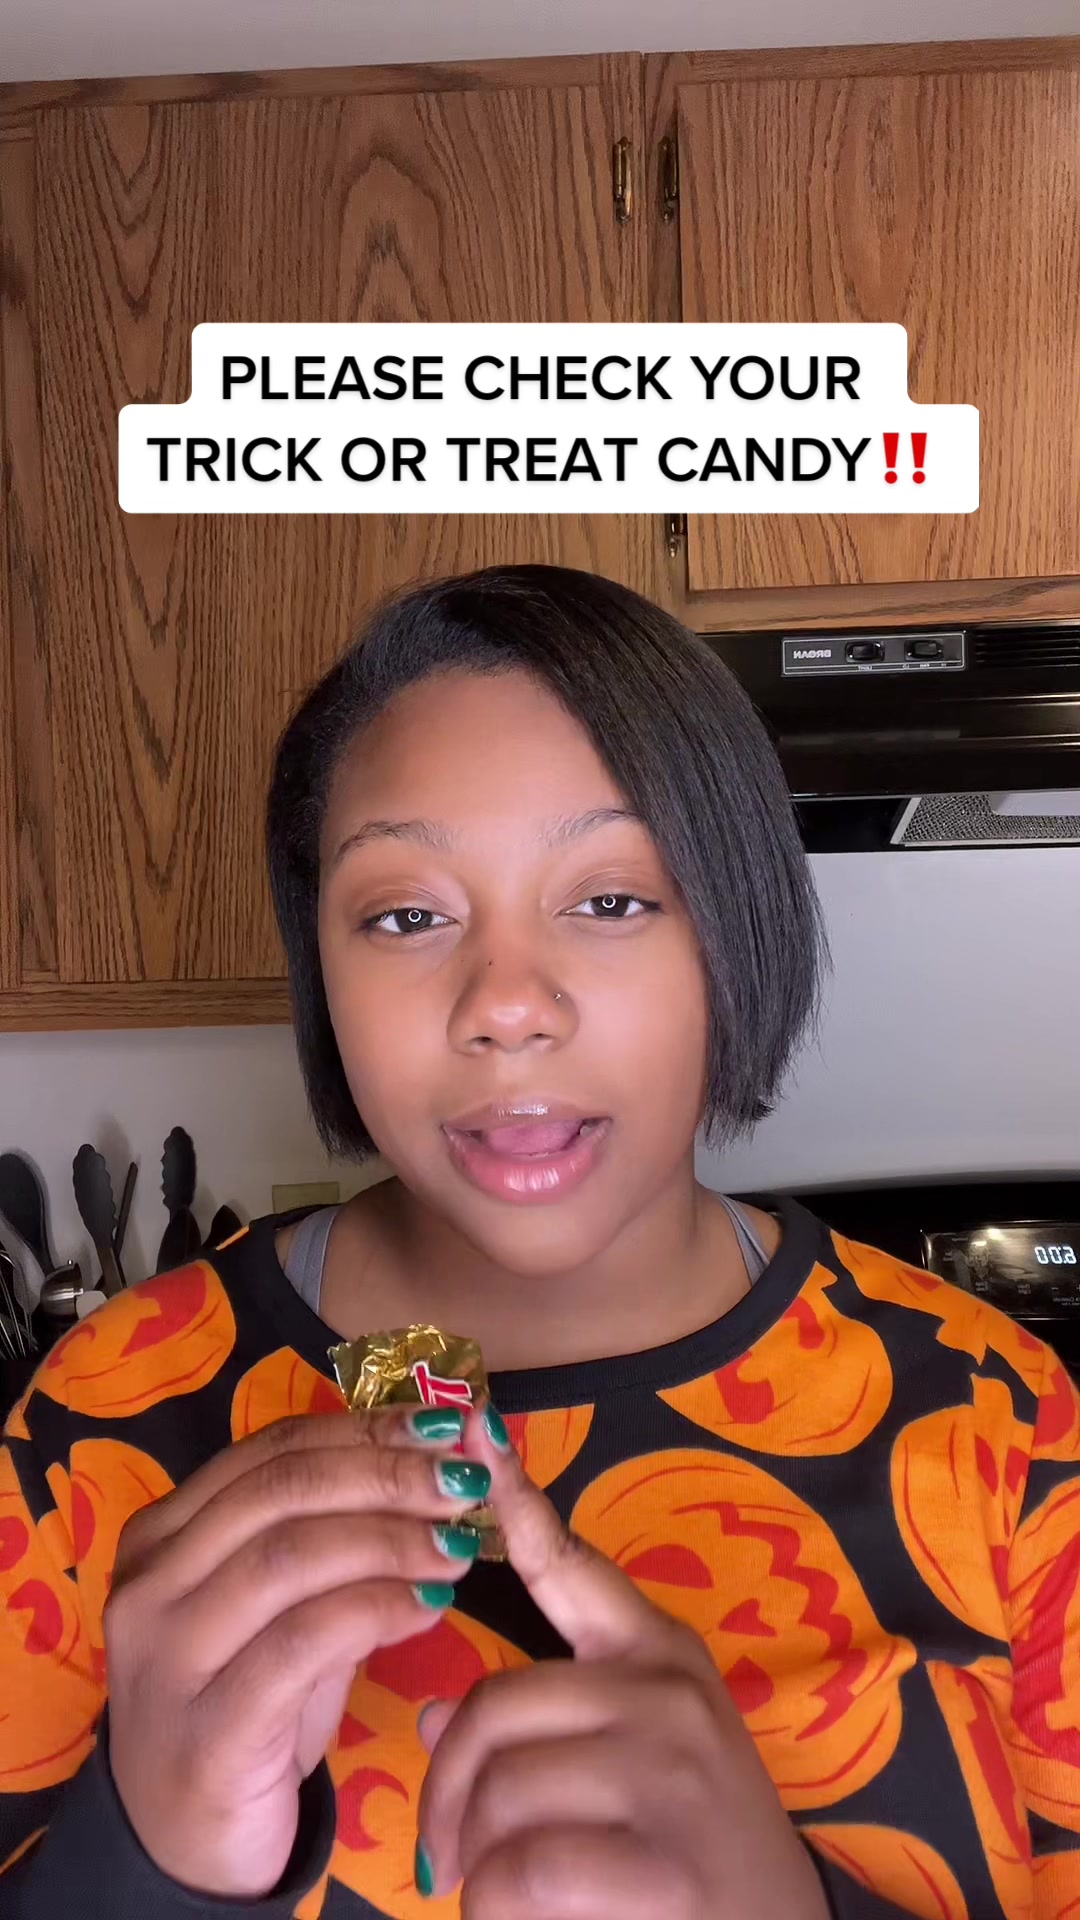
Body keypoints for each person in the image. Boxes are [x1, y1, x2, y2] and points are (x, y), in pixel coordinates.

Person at [1, 565, 1078, 1920]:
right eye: (407, 915)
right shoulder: (97, 1421)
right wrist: (147, 1852)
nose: (505, 1005)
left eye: (612, 899)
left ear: (733, 929)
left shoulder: (1010, 1430)